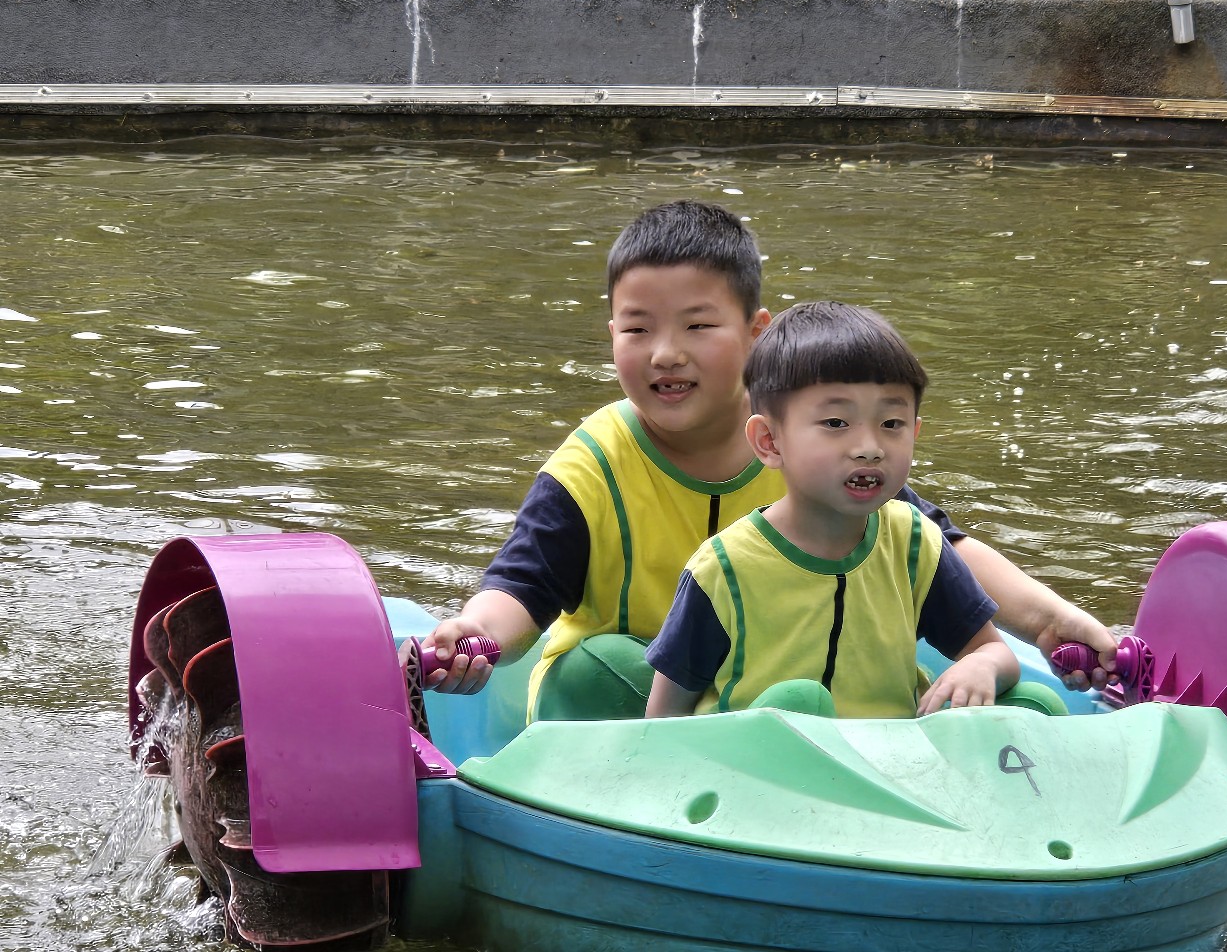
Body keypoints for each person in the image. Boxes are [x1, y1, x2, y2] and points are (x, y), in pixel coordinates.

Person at [425, 200, 1115, 717]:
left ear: (757, 333)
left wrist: (1050, 623)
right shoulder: (593, 464)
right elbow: (523, 583)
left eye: (698, 325)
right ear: (612, 334)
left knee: (1024, 705)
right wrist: (474, 636)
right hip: (648, 698)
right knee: (594, 668)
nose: (665, 353)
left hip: (796, 691)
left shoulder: (812, 438)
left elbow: (934, 545)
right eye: (637, 329)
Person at [644, 301, 1019, 718]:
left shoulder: (916, 545)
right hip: (756, 755)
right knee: (802, 701)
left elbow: (994, 651)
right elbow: (663, 719)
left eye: (891, 424)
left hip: (888, 756)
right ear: (769, 441)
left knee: (1033, 702)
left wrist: (982, 666)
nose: (869, 448)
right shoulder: (723, 569)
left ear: (914, 431)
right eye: (836, 423)